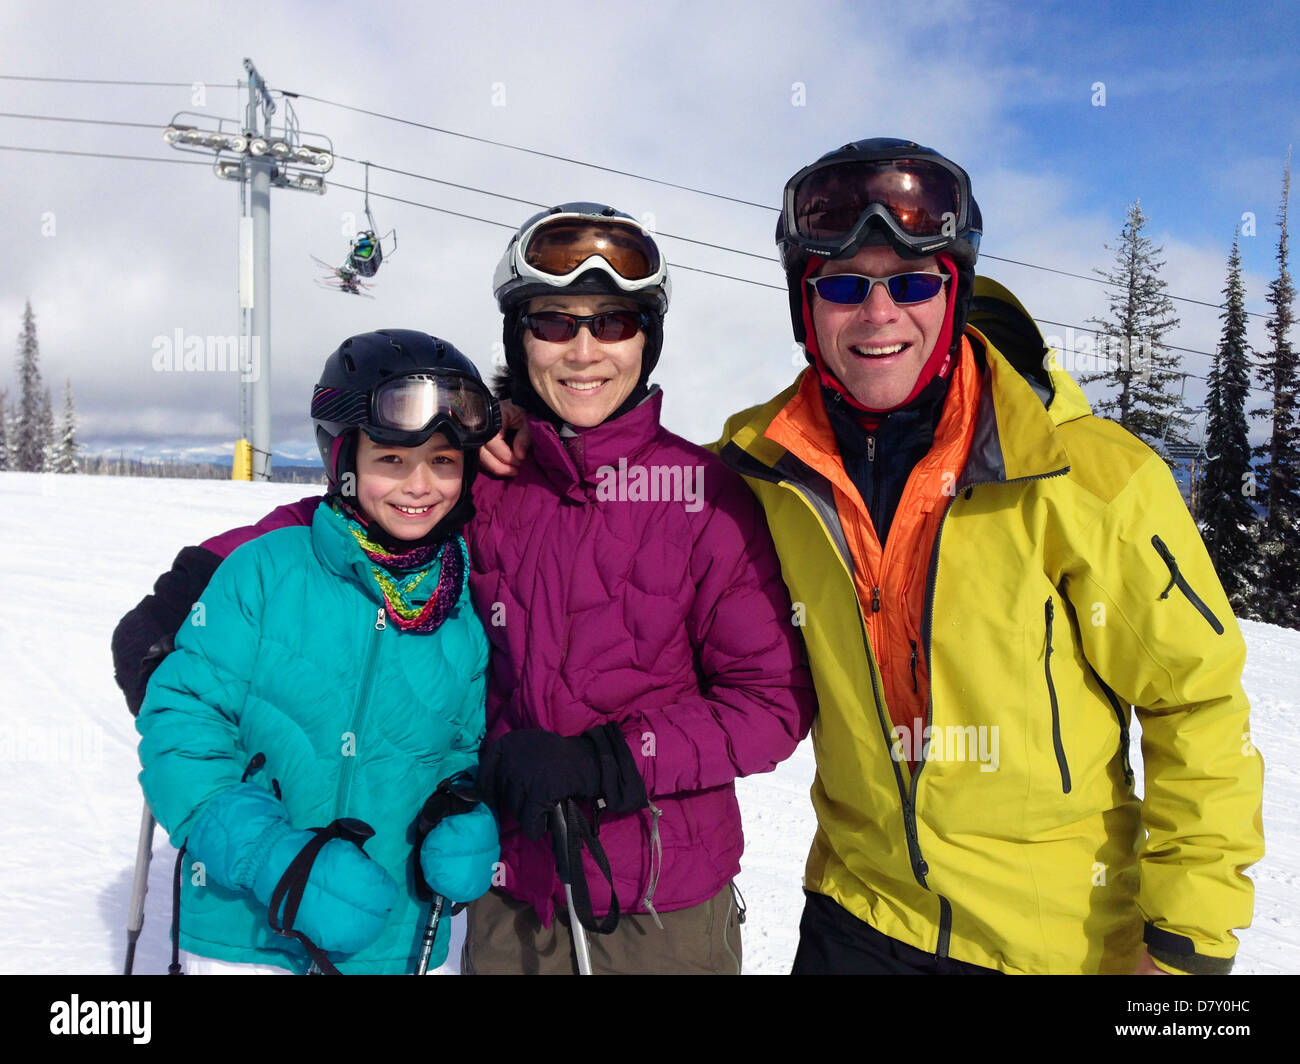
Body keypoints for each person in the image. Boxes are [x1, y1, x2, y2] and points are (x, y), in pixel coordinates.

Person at [114, 205, 816, 975]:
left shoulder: (703, 498)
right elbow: (359, 516)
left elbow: (770, 704)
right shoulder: (488, 479)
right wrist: (194, 582)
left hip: (655, 906)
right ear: (519, 336)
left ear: (647, 340)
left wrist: (606, 762)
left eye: (614, 323)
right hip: (498, 897)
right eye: (553, 323)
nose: (583, 351)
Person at [708, 137, 1264, 974]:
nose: (880, 313)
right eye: (846, 286)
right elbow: (632, 529)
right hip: (857, 920)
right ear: (806, 308)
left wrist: (1188, 941)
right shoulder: (760, 468)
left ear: (954, 291)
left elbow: (1197, 704)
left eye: (913, 283)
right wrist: (512, 448)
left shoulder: (1088, 476)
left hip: (1054, 942)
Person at [134, 330, 502, 974]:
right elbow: (181, 733)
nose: (421, 485)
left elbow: (458, 746)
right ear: (343, 460)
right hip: (247, 935)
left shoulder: (459, 601)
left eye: (444, 461)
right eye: (393, 459)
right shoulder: (263, 572)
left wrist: (459, 805)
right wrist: (275, 859)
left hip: (398, 940)